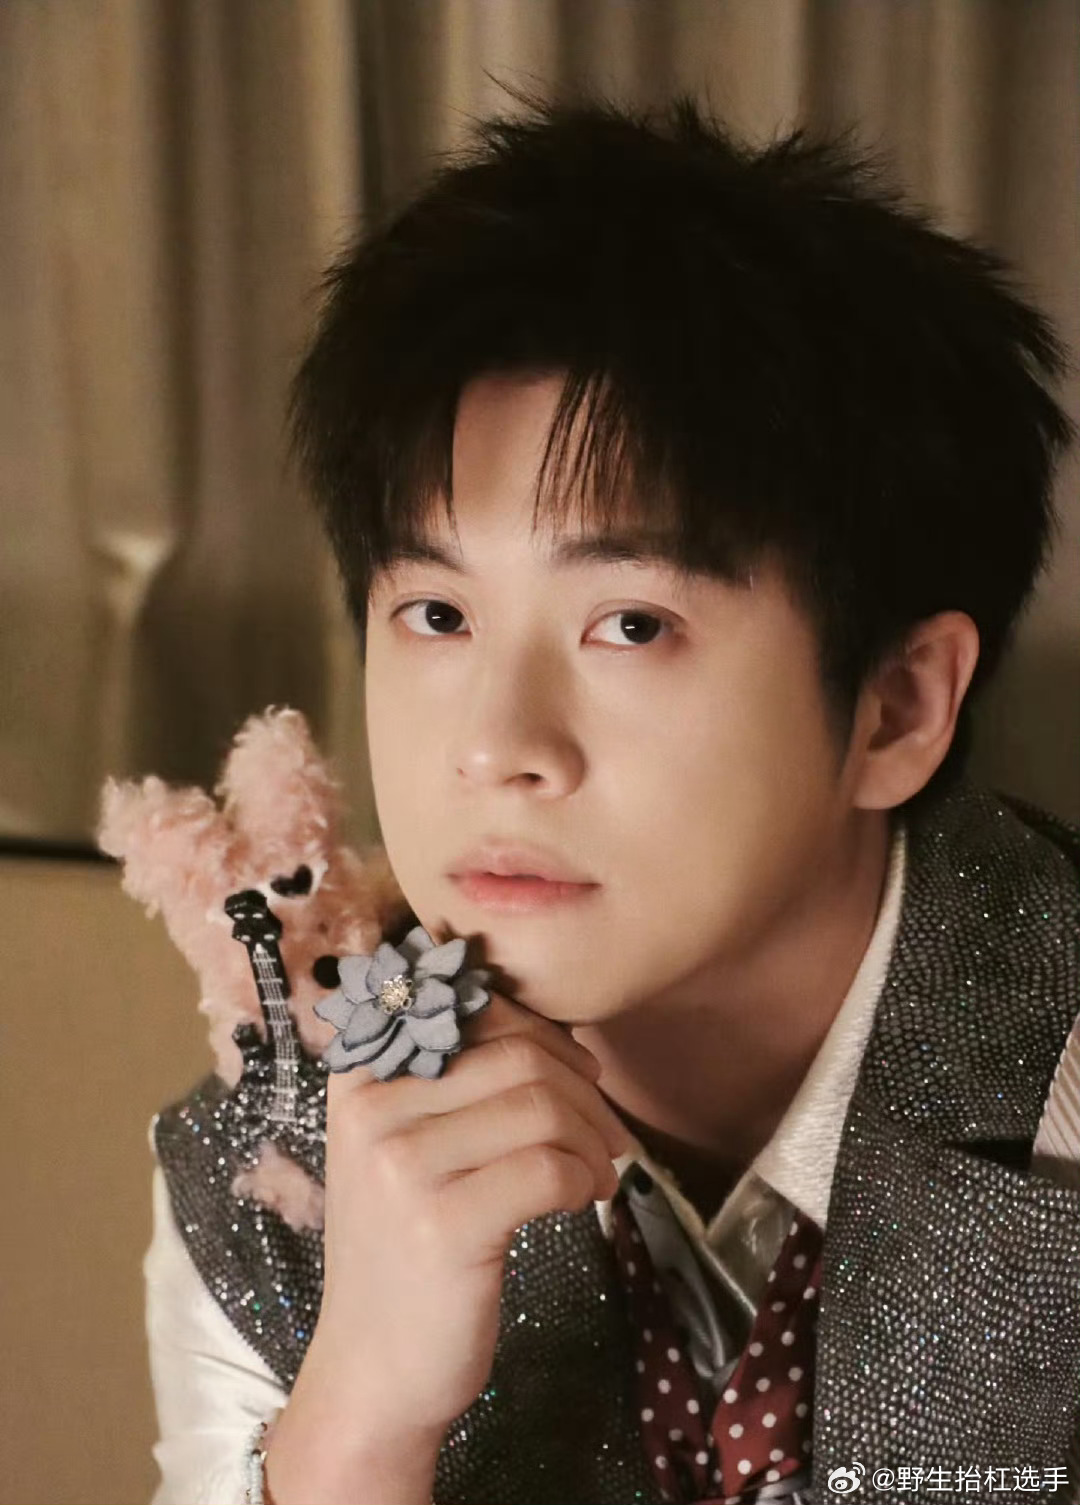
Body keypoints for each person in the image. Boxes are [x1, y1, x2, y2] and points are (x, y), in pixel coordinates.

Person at [143, 94, 1080, 1505]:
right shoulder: (274, 1160)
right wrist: (352, 1436)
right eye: (438, 614)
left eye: (631, 623)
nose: (497, 748)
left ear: (895, 704)